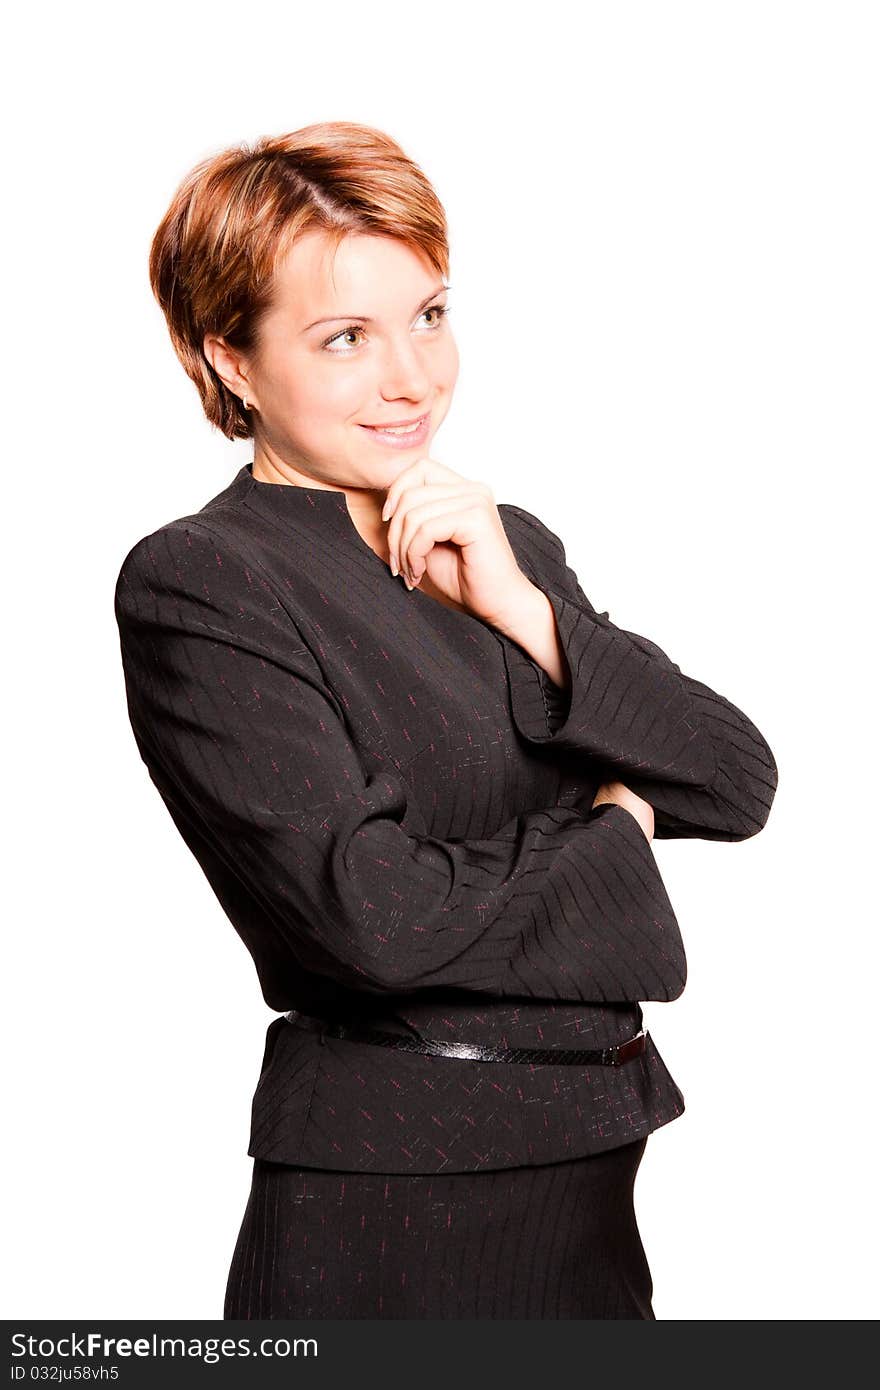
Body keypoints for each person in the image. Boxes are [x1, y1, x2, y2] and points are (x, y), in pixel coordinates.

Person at [114, 121, 778, 1320]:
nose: (412, 376)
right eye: (344, 338)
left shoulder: (497, 539)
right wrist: (614, 830)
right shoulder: (207, 579)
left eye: (428, 314)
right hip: (395, 1204)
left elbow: (733, 782)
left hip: (591, 1173)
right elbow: (371, 919)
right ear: (232, 361)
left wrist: (526, 612)